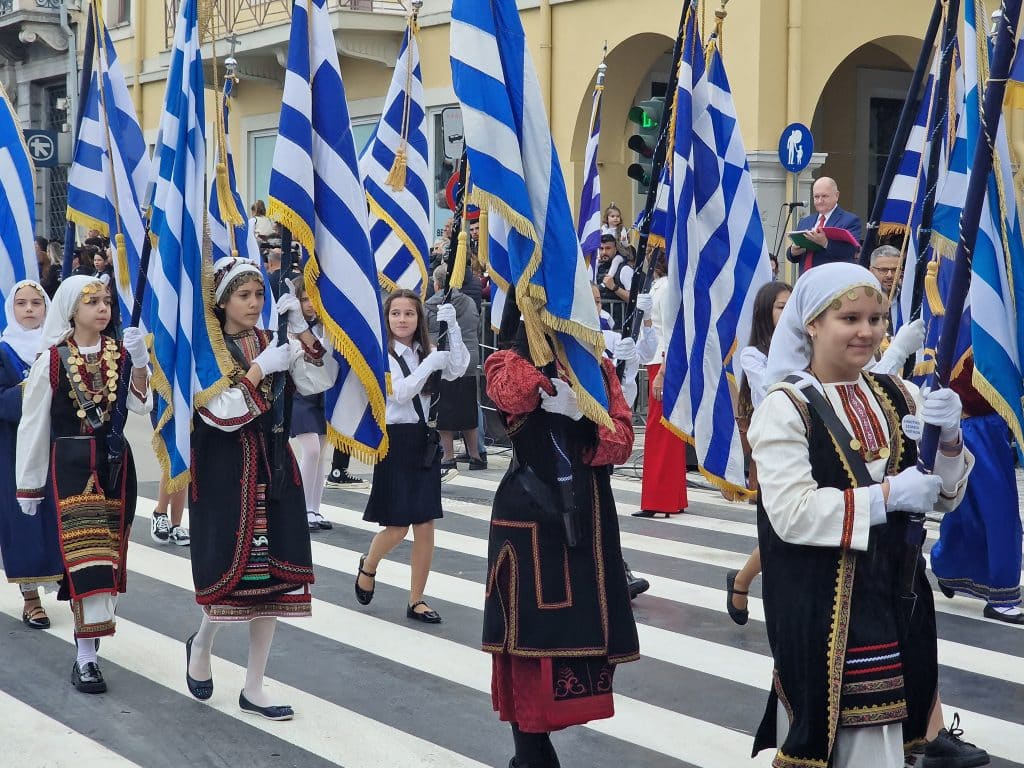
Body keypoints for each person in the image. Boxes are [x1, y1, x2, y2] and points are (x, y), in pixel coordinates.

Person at [749, 263, 973, 768]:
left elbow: (944, 495)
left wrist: (951, 438)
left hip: (897, 597)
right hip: (824, 608)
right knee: (849, 744)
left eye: (875, 318)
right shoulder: (786, 406)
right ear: (812, 323)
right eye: (849, 318)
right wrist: (888, 495)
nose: (867, 331)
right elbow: (792, 513)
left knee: (888, 744)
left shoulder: (898, 394)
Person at [482, 294, 639, 768]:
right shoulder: (508, 359)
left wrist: (584, 413)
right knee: (527, 639)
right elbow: (511, 394)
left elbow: (622, 443)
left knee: (578, 636)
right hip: (529, 516)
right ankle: (528, 753)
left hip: (587, 516)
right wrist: (546, 372)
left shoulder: (600, 368)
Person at [184, 257, 338, 720]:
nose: (253, 304)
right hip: (225, 471)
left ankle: (254, 686)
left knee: (275, 579)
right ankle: (202, 643)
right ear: (222, 301)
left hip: (273, 466)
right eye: (243, 296)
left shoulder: (272, 340)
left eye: (257, 295)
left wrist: (303, 331)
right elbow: (219, 413)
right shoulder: (206, 347)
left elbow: (318, 378)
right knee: (232, 576)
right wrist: (257, 370)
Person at [16, 275, 152, 694]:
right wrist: (29, 484)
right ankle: (86, 657)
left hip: (115, 469)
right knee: (86, 560)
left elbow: (139, 405)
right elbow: (34, 424)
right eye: (92, 301)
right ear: (72, 309)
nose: (102, 308)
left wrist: (141, 363)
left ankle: (89, 647)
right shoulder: (53, 360)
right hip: (72, 468)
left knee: (108, 561)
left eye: (106, 301)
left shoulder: (120, 354)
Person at [355, 289, 469, 624]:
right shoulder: (382, 355)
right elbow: (401, 393)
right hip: (395, 441)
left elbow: (458, 368)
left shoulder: (427, 349)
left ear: (419, 318)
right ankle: (369, 563)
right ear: (387, 318)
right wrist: (430, 363)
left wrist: (454, 328)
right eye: (396, 313)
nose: (402, 320)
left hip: (424, 440)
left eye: (409, 313)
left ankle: (416, 599)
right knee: (396, 527)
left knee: (425, 523)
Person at [930, 355, 1024, 624]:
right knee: (998, 512)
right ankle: (1003, 597)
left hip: (990, 424)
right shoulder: (978, 319)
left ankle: (948, 566)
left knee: (965, 507)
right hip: (977, 425)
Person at [725, 280, 791, 624]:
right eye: (781, 307)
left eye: (793, 306)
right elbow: (772, 392)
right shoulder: (754, 353)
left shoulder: (808, 347)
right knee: (778, 526)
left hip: (809, 445)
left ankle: (742, 579)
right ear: (767, 312)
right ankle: (742, 580)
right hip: (773, 446)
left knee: (794, 526)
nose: (789, 312)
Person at [0, 281, 59, 630]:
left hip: (56, 446)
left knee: (58, 514)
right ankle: (30, 597)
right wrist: (32, 390)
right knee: (22, 517)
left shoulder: (59, 348)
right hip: (15, 449)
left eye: (37, 302)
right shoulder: (4, 350)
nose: (29, 309)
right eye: (21, 303)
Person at [638, 255, 688, 518]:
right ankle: (674, 496)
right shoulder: (659, 285)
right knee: (668, 429)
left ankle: (658, 500)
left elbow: (670, 331)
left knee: (660, 430)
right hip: (654, 356)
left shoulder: (668, 287)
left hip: (663, 361)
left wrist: (663, 373)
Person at [426, 264, 486, 472]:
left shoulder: (432, 304)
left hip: (446, 361)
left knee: (445, 409)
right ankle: (476, 456)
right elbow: (477, 325)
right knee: (469, 408)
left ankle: (448, 456)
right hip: (469, 358)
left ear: (437, 283)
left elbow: (426, 331)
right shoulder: (469, 302)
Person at [288, 275, 335, 532]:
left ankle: (314, 508)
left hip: (322, 391)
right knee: (312, 449)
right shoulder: (290, 327)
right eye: (304, 299)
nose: (309, 304)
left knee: (321, 452)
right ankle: (302, 509)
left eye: (313, 298)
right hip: (300, 393)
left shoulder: (324, 326)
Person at [786, 177, 861, 272]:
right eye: (816, 197)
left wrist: (825, 243)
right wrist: (792, 252)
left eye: (824, 196)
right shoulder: (805, 222)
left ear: (836, 195)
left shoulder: (850, 220)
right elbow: (792, 257)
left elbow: (851, 253)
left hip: (832, 280)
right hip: (806, 280)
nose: (820, 201)